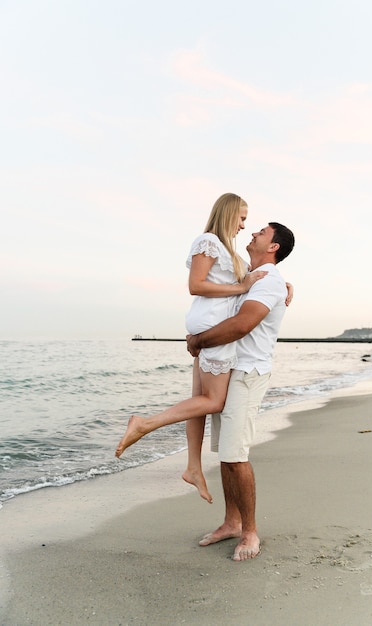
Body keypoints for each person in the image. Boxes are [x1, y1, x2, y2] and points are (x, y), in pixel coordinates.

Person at [115, 193, 267, 504]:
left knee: (200, 399)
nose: (243, 225)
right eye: (241, 218)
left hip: (208, 327)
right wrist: (241, 286)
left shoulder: (226, 250)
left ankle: (193, 467)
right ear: (227, 214)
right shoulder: (208, 241)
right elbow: (195, 285)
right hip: (213, 328)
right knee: (214, 400)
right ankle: (145, 424)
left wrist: (280, 285)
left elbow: (251, 277)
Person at [186, 221, 295, 561]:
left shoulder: (270, 281)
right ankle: (231, 522)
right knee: (226, 454)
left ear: (273, 246)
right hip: (229, 368)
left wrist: (198, 341)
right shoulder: (252, 276)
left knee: (236, 455)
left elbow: (242, 324)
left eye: (261, 232)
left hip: (247, 373)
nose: (252, 234)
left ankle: (250, 531)